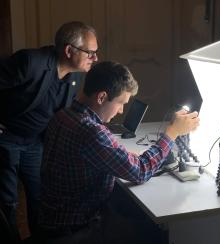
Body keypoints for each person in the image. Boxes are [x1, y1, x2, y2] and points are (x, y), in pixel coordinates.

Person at [38, 61, 200, 243]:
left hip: (51, 220)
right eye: (120, 103)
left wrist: (125, 155)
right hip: (75, 230)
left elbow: (95, 151)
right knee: (153, 231)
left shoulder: (63, 115)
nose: (121, 110)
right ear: (101, 97)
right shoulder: (92, 131)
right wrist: (172, 132)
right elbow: (140, 171)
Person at [0, 21, 98, 238]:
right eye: (90, 53)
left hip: (34, 141)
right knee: (8, 201)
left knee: (40, 196)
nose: (95, 58)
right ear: (68, 50)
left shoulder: (74, 75)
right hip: (6, 137)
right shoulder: (30, 62)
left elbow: (69, 112)